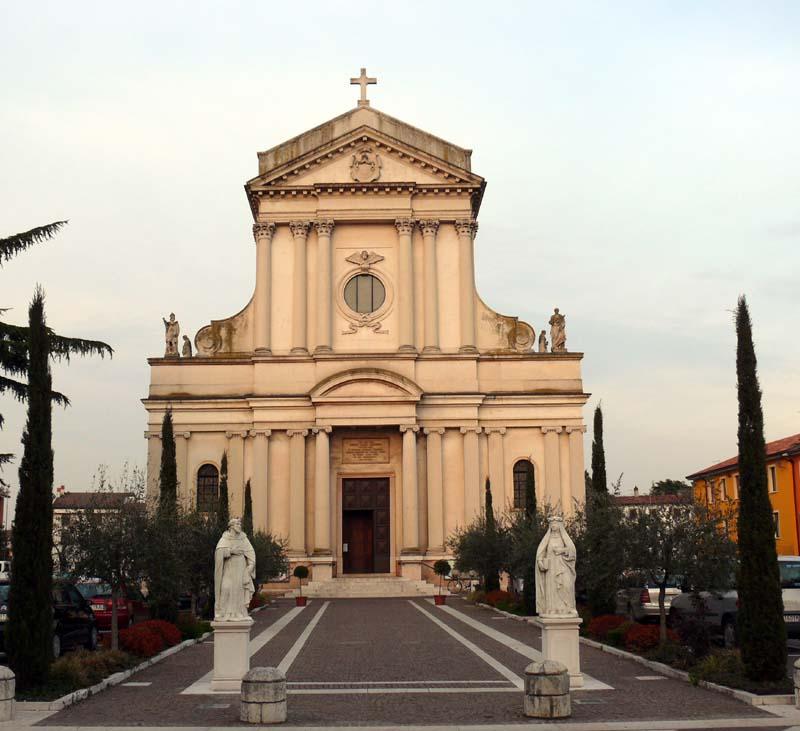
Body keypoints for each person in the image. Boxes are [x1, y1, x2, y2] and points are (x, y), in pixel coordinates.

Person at [214, 518, 256, 620]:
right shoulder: (225, 538)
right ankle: (223, 614)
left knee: (239, 590)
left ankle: (239, 614)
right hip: (229, 570)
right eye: (237, 524)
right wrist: (231, 551)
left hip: (240, 570)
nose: (239, 525)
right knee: (225, 588)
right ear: (231, 526)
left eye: (240, 524)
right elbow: (218, 553)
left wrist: (250, 567)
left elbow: (251, 554)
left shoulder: (243, 539)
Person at [535, 516, 577, 616]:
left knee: (566, 585)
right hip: (550, 569)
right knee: (551, 589)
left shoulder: (564, 538)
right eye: (552, 524)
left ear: (560, 526)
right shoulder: (547, 539)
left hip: (563, 566)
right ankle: (552, 610)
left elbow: (572, 552)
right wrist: (540, 563)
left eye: (556, 524)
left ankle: (567, 608)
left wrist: (561, 550)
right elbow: (540, 553)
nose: (554, 526)